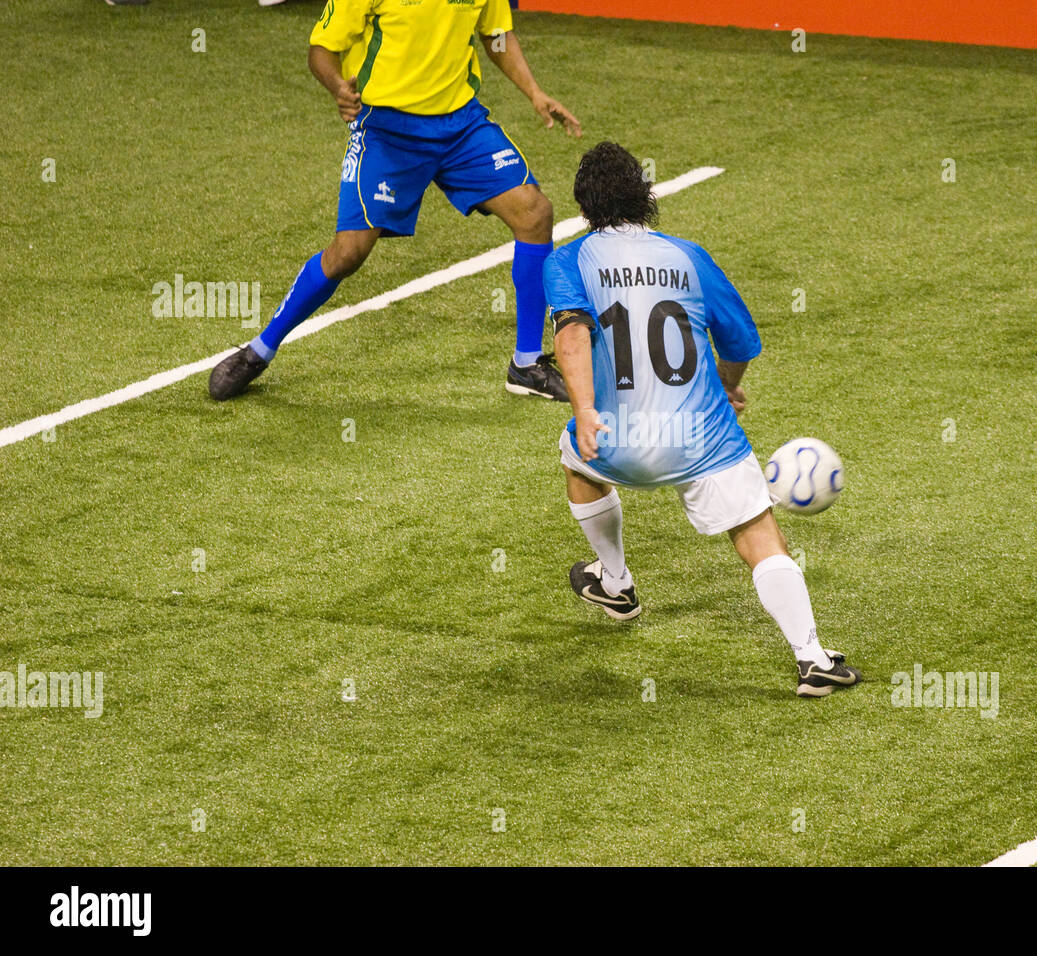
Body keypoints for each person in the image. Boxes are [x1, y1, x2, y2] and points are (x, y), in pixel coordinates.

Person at [544, 142, 862, 698]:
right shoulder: (688, 255)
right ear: (646, 196)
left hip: (616, 442)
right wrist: (730, 383)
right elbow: (739, 339)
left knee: (576, 459)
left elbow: (570, 333)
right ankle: (813, 659)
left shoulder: (567, 260)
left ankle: (616, 581)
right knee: (757, 532)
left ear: (585, 206)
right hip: (702, 439)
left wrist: (587, 411)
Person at [210, 0, 580, 401]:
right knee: (348, 253)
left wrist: (534, 92)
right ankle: (260, 350)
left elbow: (495, 35)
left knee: (534, 212)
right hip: (387, 129)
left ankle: (526, 364)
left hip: (460, 125)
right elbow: (321, 49)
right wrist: (337, 86)